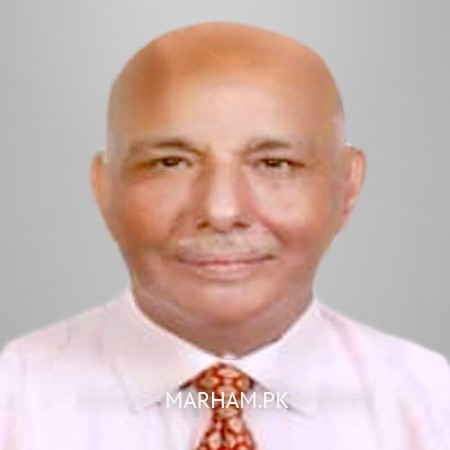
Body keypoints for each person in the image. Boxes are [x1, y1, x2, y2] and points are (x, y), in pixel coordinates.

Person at [0, 21, 448, 449]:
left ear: (347, 187)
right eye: (170, 163)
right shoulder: (15, 398)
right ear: (104, 188)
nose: (221, 211)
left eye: (275, 164)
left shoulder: (430, 402)